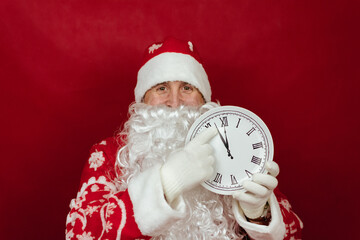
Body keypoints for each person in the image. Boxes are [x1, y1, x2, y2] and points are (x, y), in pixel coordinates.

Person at [66, 37, 303, 239]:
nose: (174, 101)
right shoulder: (108, 153)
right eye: (161, 88)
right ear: (142, 99)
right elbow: (78, 233)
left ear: (203, 99)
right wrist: (166, 183)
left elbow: (294, 235)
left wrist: (259, 215)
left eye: (187, 88)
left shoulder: (238, 150)